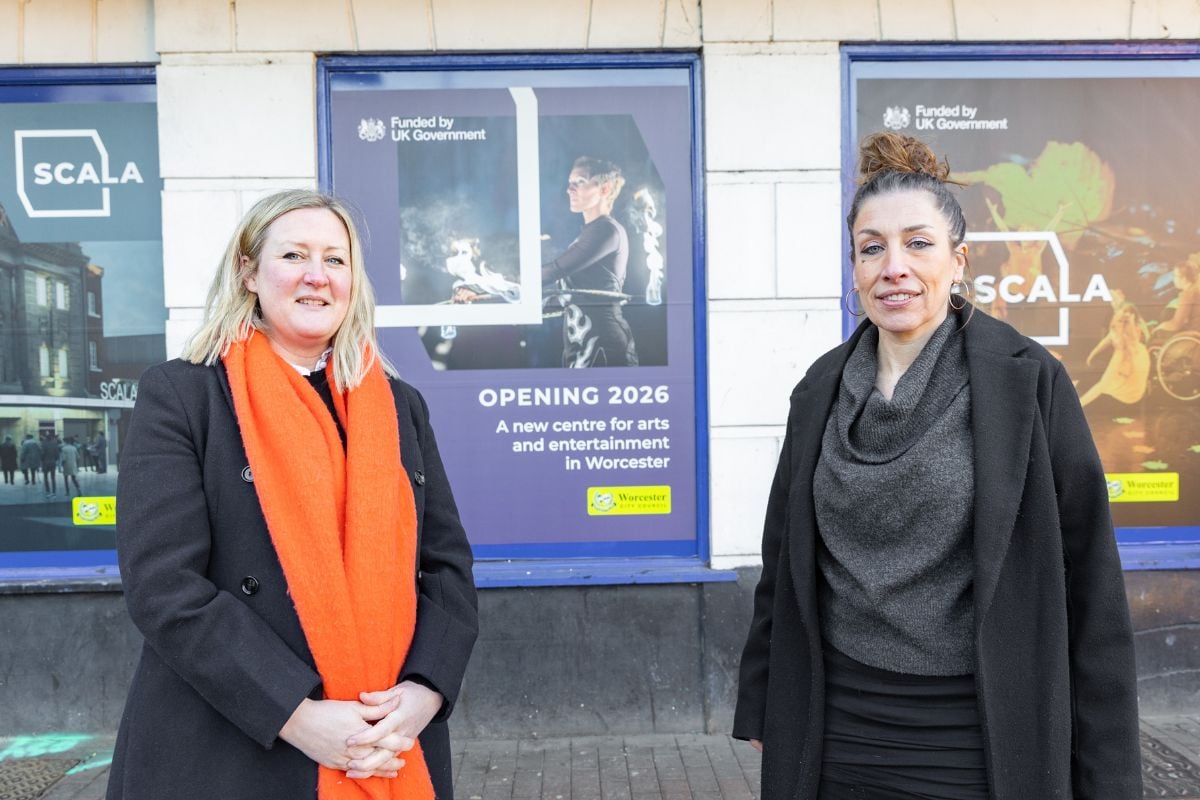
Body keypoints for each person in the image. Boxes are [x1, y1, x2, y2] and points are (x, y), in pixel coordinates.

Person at [732, 132, 1141, 799]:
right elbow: (784, 561)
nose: (894, 266)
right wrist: (760, 698)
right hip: (836, 730)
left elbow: (1091, 587)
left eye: (918, 244)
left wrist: (1109, 774)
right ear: (855, 269)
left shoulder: (1028, 383)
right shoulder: (820, 390)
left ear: (958, 262)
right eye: (872, 248)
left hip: (978, 735)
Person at [108, 190, 479, 800]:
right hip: (232, 745)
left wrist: (424, 692)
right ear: (249, 273)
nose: (317, 276)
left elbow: (445, 566)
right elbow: (163, 585)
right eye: (294, 255)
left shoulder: (400, 407)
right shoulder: (183, 396)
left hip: (387, 741)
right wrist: (297, 715)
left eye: (336, 260)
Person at [541, 156, 638, 368]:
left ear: (604, 189)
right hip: (580, 346)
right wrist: (487, 296)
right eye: (570, 183)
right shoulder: (587, 234)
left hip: (605, 345)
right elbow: (563, 297)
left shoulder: (606, 231)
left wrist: (500, 282)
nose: (569, 189)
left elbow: (552, 271)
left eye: (580, 182)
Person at [40, 431, 60, 498]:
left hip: (45, 463)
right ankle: (54, 493)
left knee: (46, 478)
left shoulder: (44, 443)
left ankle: (48, 492)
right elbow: (57, 454)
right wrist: (55, 459)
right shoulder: (55, 443)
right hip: (53, 463)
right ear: (51, 437)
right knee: (53, 478)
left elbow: (42, 453)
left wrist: (42, 460)